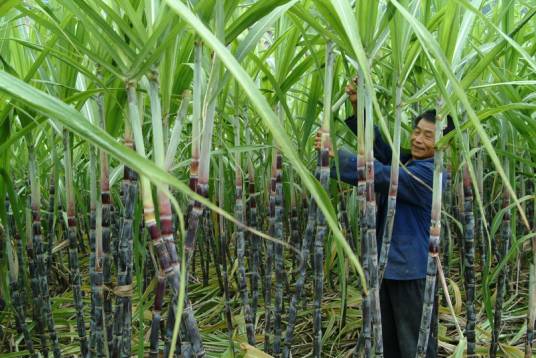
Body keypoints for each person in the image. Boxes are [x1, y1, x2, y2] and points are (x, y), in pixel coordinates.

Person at [316, 79, 453, 358]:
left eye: (429, 136)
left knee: (415, 344)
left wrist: (335, 156)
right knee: (388, 342)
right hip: (389, 266)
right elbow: (383, 151)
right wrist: (359, 106)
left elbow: (383, 174)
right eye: (416, 132)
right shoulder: (413, 161)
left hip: (411, 271)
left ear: (443, 143)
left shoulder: (432, 175)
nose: (418, 139)